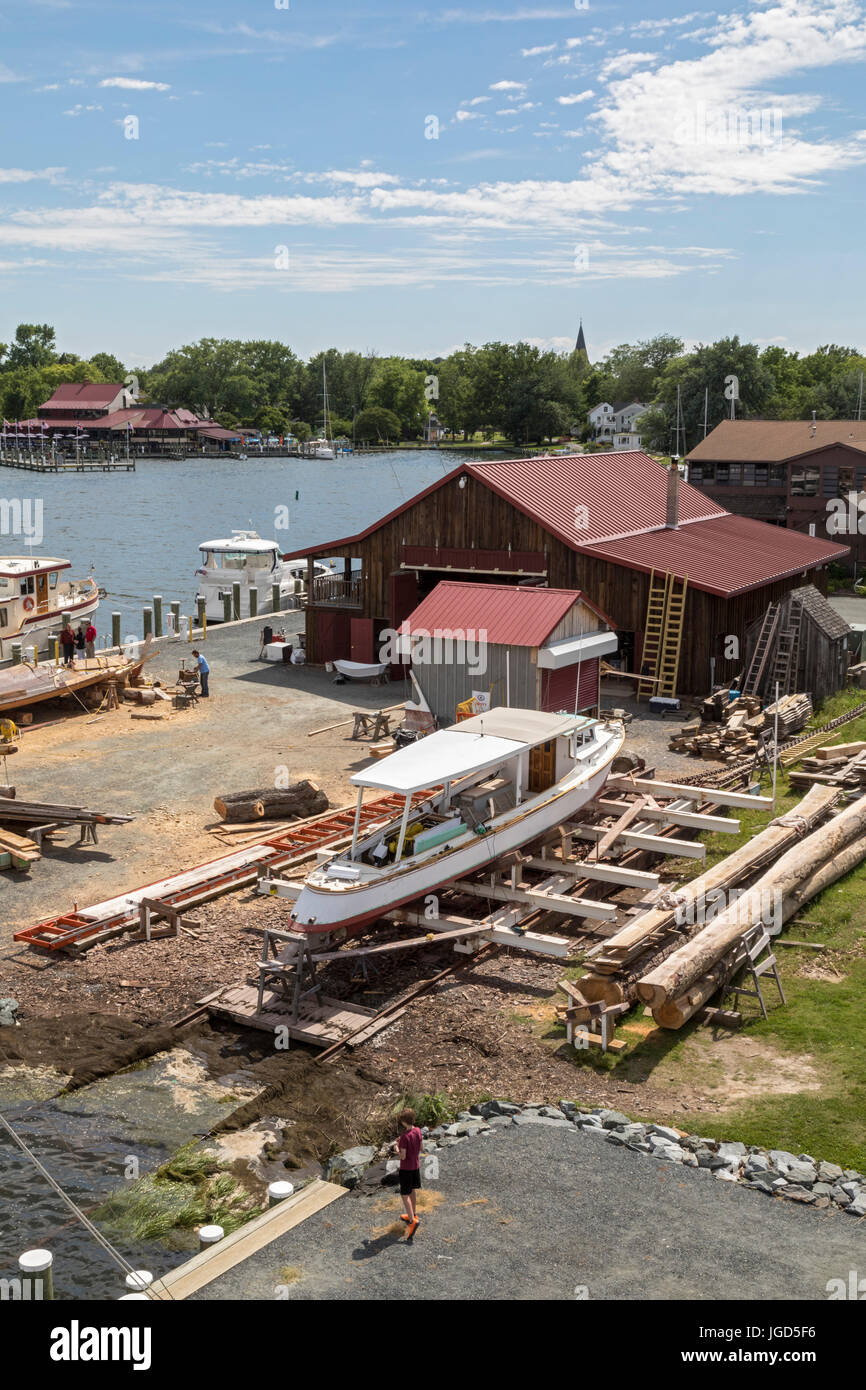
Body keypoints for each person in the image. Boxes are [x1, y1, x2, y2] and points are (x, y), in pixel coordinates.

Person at [396, 1107, 422, 1239]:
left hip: (406, 1169)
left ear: (404, 1122)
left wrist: (396, 1147)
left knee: (404, 1194)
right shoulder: (418, 1131)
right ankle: (414, 1213)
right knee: (412, 1190)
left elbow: (402, 1156)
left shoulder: (404, 1137)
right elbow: (421, 1147)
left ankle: (412, 1221)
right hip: (415, 1166)